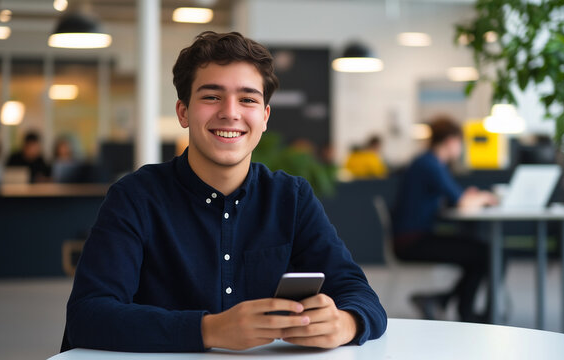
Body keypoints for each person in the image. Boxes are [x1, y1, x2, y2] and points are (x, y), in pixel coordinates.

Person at [61, 31, 386, 353]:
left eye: (247, 99)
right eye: (211, 96)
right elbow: (88, 316)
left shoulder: (292, 196)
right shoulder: (135, 197)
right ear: (183, 112)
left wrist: (345, 322)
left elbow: (358, 293)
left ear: (264, 117)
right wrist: (209, 330)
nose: (230, 112)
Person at [391, 116, 497, 323]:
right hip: (412, 242)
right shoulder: (430, 164)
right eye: (460, 142)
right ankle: (462, 311)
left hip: (413, 237)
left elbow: (455, 198)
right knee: (485, 254)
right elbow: (461, 201)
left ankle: (442, 301)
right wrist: (484, 197)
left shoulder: (426, 162)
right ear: (450, 141)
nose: (461, 148)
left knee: (481, 252)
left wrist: (467, 198)